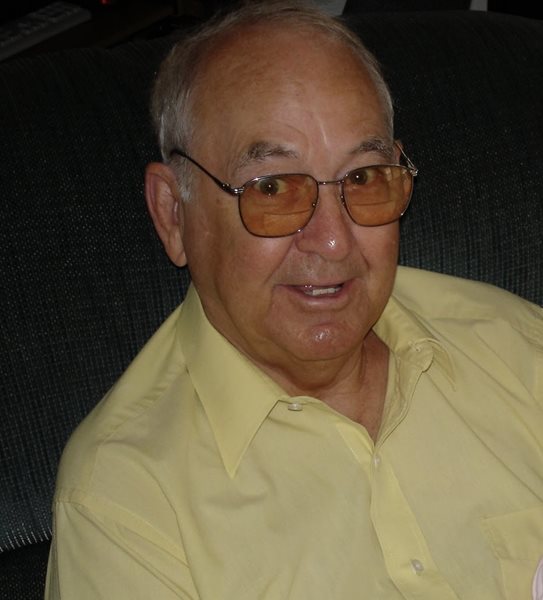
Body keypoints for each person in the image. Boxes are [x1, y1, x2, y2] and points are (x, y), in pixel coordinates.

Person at [45, 2, 543, 599]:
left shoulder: (519, 349)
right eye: (273, 188)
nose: (333, 241)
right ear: (174, 213)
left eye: (363, 177)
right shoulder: (123, 503)